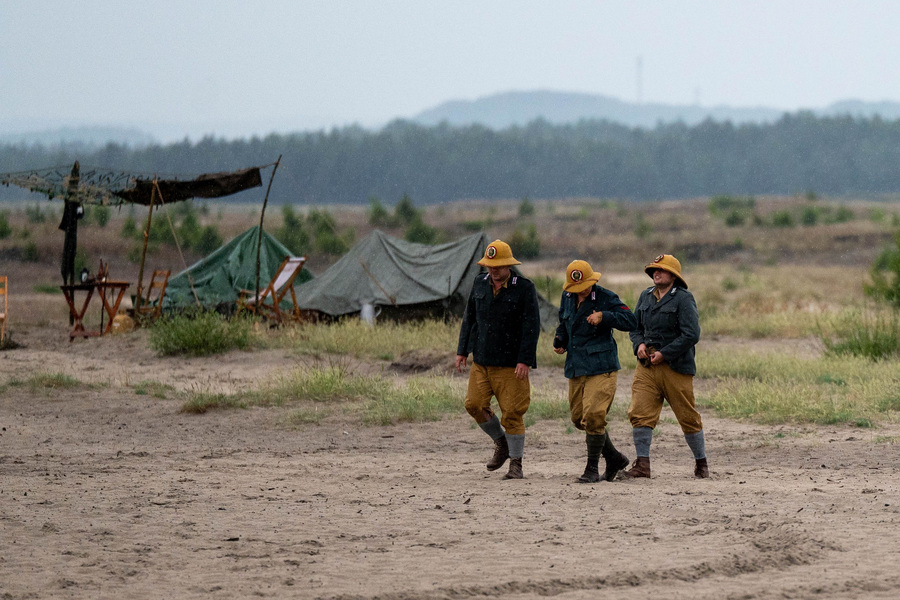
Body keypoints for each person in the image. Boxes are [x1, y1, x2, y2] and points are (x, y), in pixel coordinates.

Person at [456, 240, 541, 480]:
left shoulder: (523, 287)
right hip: (482, 360)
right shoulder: (479, 283)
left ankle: (516, 463)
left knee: (512, 412)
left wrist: (525, 359)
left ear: (509, 266)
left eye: (499, 266)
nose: (494, 270)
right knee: (474, 404)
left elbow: (531, 326)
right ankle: (501, 443)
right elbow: (469, 318)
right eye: (490, 265)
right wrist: (462, 350)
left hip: (511, 364)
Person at [622, 254, 709, 479]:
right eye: (653, 270)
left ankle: (701, 464)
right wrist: (638, 344)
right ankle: (642, 465)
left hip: (676, 366)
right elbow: (635, 326)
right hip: (647, 366)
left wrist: (665, 353)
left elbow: (692, 334)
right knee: (639, 413)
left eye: (660, 270)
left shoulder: (683, 298)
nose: (655, 273)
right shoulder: (646, 296)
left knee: (687, 416)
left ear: (673, 275)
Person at [553, 260, 637, 483]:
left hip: (602, 366)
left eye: (586, 285)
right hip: (577, 366)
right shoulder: (567, 297)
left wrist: (605, 317)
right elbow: (564, 322)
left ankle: (591, 469)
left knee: (594, 416)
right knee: (579, 418)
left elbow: (631, 320)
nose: (582, 290)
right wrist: (560, 338)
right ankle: (614, 457)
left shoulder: (605, 297)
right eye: (577, 287)